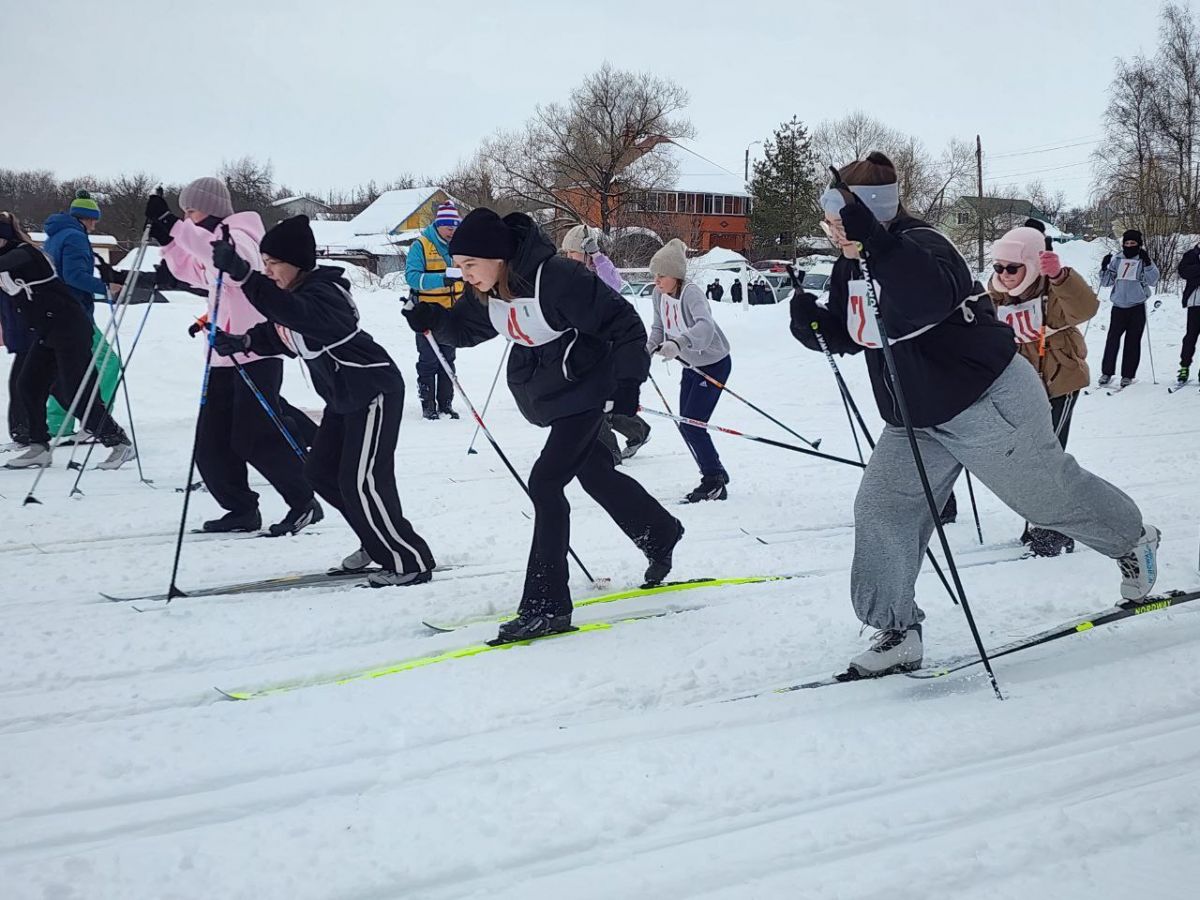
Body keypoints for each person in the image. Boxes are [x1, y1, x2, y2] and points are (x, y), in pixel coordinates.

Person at [788, 152, 1159, 677]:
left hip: (986, 401)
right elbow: (868, 331)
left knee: (1043, 497)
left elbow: (925, 295)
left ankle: (1133, 539)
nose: (831, 231)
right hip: (915, 416)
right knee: (882, 510)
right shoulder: (854, 262)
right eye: (829, 223)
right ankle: (896, 630)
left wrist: (876, 241)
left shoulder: (923, 244)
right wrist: (819, 327)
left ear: (868, 215)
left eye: (837, 220)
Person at [402, 208, 684, 643]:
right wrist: (434, 321)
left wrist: (628, 384)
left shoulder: (557, 278)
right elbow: (466, 328)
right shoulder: (491, 289)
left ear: (497, 256)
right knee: (593, 472)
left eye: (469, 264)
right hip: (551, 391)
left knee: (546, 483)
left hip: (587, 385)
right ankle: (660, 532)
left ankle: (547, 605)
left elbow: (624, 323)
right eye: (459, 265)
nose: (463, 273)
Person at [208, 215, 436, 587]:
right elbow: (282, 330)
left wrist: (246, 277)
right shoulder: (296, 295)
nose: (268, 271)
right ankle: (375, 541)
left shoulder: (323, 294)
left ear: (296, 262)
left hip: (373, 390)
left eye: (273, 264)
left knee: (361, 480)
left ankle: (407, 560)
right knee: (321, 472)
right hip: (343, 398)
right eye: (263, 264)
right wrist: (245, 342)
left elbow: (297, 315)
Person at [152, 177, 319, 536]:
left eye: (191, 210)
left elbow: (239, 264)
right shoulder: (208, 239)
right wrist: (168, 239)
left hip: (255, 350)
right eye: (183, 211)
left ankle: (304, 500)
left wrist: (176, 228)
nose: (188, 216)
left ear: (210, 208)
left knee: (253, 437)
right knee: (211, 441)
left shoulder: (240, 235)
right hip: (222, 356)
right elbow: (192, 271)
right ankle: (241, 509)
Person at [988, 225, 1099, 557]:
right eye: (998, 267)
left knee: (1049, 456)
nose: (1004, 275)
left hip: (1058, 381)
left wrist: (1062, 276)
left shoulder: (1052, 291)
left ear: (1032, 266)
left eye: (1012, 268)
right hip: (1021, 384)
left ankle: (1055, 529)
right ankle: (1038, 519)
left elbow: (1086, 308)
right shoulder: (995, 293)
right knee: (1030, 457)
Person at [0, 212, 133, 469]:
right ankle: (39, 447)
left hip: (70, 327)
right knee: (28, 385)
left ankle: (119, 443)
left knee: (76, 391)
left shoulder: (25, 253)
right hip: (45, 330)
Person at [647, 238, 733, 502]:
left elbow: (704, 327)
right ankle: (715, 471)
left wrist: (678, 342)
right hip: (690, 365)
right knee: (686, 423)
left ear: (676, 275)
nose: (657, 281)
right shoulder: (657, 294)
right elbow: (658, 327)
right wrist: (648, 347)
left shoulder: (691, 293)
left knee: (694, 425)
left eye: (662, 276)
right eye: (655, 276)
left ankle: (714, 480)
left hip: (714, 364)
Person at [561, 223, 652, 462]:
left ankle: (607, 452)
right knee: (599, 402)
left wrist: (597, 255)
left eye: (574, 253)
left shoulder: (598, 273)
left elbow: (614, 283)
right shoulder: (568, 276)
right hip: (581, 348)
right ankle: (638, 430)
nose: (569, 258)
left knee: (594, 402)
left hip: (606, 349)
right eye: (567, 254)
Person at [41, 190, 124, 443]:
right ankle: (98, 423)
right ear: (85, 218)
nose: (95, 224)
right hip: (75, 313)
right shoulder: (76, 238)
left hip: (55, 313)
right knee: (109, 364)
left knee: (64, 371)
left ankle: (58, 424)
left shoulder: (53, 238)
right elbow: (74, 276)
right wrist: (107, 287)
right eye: (93, 219)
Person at [405, 201, 463, 420]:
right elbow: (412, 277)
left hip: (452, 313)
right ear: (438, 225)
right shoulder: (421, 245)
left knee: (448, 358)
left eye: (455, 226)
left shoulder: (458, 246)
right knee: (429, 360)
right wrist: (442, 279)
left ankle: (446, 404)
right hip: (426, 313)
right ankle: (427, 404)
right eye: (448, 227)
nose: (452, 231)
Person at [1098, 229, 1159, 387]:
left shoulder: (1143, 259)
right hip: (1118, 305)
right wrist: (1104, 268)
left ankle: (1128, 374)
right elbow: (1106, 282)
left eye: (1133, 243)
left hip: (1137, 305)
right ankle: (1107, 372)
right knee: (1112, 340)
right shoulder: (1118, 258)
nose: (1129, 246)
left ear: (1139, 244)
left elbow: (1154, 280)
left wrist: (1147, 264)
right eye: (1127, 243)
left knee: (1133, 341)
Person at [0, 268, 32, 451]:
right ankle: (23, 431)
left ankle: (24, 432)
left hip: (33, 334)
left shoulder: (16, 260)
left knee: (22, 384)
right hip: (20, 336)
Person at [1175, 239, 1200, 385]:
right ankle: (1184, 366)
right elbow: (1184, 271)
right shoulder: (1191, 255)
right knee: (1190, 337)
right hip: (1194, 302)